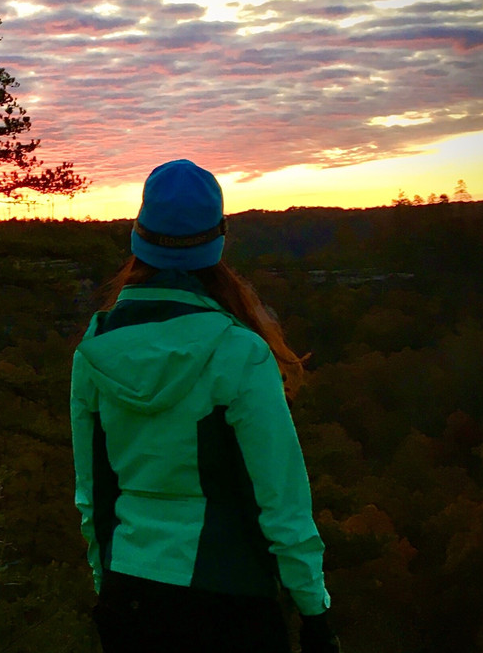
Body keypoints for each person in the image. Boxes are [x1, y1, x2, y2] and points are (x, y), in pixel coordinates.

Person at [71, 159, 339, 653]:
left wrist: (104, 582)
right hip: (229, 600)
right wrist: (313, 611)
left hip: (131, 595)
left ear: (139, 236)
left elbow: (92, 494)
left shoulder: (95, 349)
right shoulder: (239, 352)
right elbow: (283, 504)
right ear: (218, 240)